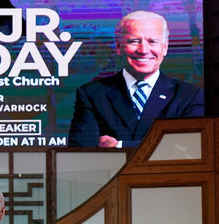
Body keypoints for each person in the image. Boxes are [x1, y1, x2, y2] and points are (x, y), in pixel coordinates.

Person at [69, 11, 203, 148]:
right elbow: (82, 151)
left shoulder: (189, 96)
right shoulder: (92, 94)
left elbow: (191, 146)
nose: (143, 50)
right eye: (134, 41)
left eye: (152, 41)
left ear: (165, 47)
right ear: (119, 46)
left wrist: (119, 146)